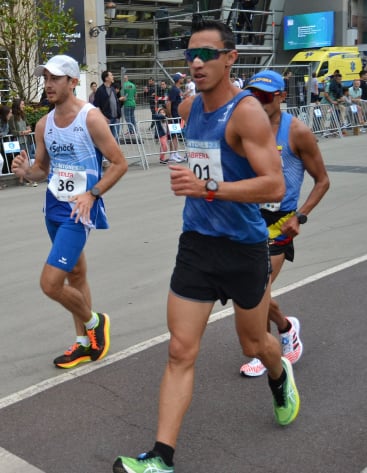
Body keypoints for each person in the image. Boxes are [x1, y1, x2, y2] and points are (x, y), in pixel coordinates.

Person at [113, 20, 299, 473]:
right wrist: (192, 175)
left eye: (208, 54)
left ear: (231, 58)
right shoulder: (189, 104)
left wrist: (209, 188)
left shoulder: (248, 113)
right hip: (197, 244)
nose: (196, 62)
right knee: (180, 350)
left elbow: (273, 183)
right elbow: (202, 161)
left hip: (243, 247)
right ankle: (161, 458)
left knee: (254, 343)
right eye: (190, 54)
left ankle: (280, 374)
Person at [11, 54, 128, 369]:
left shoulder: (90, 119)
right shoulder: (43, 125)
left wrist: (93, 194)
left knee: (50, 283)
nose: (48, 84)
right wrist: (25, 171)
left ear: (73, 82)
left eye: (56, 78)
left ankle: (94, 323)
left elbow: (119, 164)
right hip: (53, 210)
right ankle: (82, 343)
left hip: (79, 212)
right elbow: (41, 171)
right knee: (76, 275)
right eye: (46, 78)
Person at [239, 70, 330, 377]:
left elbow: (322, 181)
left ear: (281, 97)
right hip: (249, 217)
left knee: (257, 286)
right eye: (253, 96)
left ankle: (260, 350)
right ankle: (286, 327)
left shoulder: (298, 132)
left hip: (281, 221)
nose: (258, 102)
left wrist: (299, 216)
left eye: (265, 96)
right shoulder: (245, 128)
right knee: (248, 286)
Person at [9, 98, 37, 186]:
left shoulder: (23, 115)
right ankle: (28, 179)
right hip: (18, 141)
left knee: (26, 159)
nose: (24, 106)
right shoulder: (12, 117)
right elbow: (12, 131)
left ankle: (22, 179)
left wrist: (28, 129)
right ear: (18, 106)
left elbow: (28, 125)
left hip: (26, 140)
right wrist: (22, 132)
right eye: (22, 104)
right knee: (23, 160)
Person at [93, 70, 122, 141]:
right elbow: (96, 106)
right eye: (111, 75)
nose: (113, 77)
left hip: (115, 119)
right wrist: (103, 118)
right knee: (107, 140)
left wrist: (118, 115)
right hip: (106, 120)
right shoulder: (100, 90)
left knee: (115, 140)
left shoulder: (112, 89)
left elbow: (115, 102)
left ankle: (114, 152)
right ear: (106, 78)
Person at [166, 72, 186, 163]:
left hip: (177, 116)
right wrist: (170, 116)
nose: (183, 79)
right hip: (174, 116)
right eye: (181, 78)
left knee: (176, 135)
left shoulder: (177, 89)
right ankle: (172, 155)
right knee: (173, 135)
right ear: (178, 80)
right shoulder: (174, 90)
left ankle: (175, 153)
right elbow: (169, 103)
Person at [0, 104, 12, 182]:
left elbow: (5, 132)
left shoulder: (6, 122)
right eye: (10, 112)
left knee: (1, 161)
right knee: (1, 161)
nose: (11, 114)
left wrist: (1, 134)